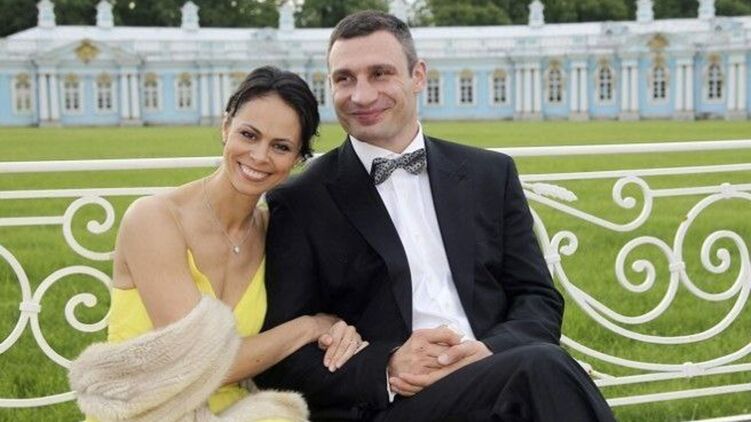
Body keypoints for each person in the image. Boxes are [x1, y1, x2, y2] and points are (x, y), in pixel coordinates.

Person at [256, 11, 617, 421]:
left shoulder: (490, 174)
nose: (361, 95)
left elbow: (537, 297)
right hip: (393, 406)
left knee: (536, 371)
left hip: (499, 373)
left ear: (418, 76)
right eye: (344, 79)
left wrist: (489, 350)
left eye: (380, 74)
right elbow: (283, 360)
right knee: (544, 368)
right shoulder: (300, 200)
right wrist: (387, 366)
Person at [69, 66, 367, 421]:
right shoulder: (154, 218)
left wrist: (338, 330)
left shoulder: (276, 234)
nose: (259, 156)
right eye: (249, 134)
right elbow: (197, 363)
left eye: (281, 146)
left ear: (298, 159)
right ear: (225, 127)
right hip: (147, 411)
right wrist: (310, 326)